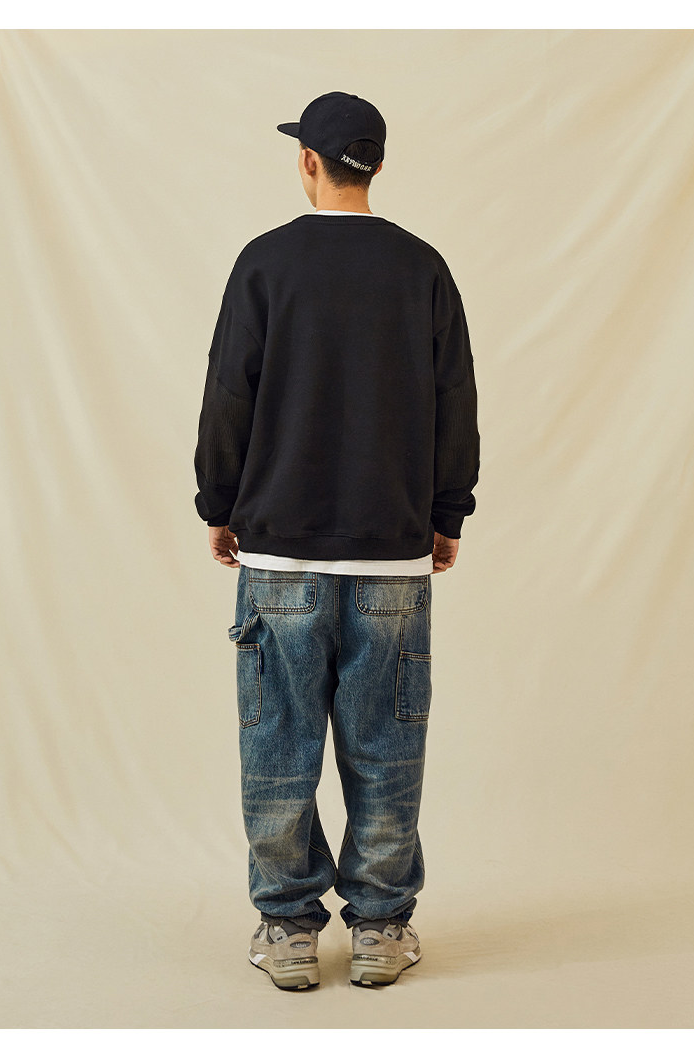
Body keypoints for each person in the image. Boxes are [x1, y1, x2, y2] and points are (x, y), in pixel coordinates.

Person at [193, 91, 480, 990]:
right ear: (378, 165)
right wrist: (447, 513)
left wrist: (218, 502)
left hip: (280, 551)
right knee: (386, 749)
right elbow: (456, 399)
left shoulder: (265, 262)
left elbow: (228, 392)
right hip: (392, 551)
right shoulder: (422, 267)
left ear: (308, 162)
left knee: (277, 749)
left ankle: (286, 929)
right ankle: (382, 928)